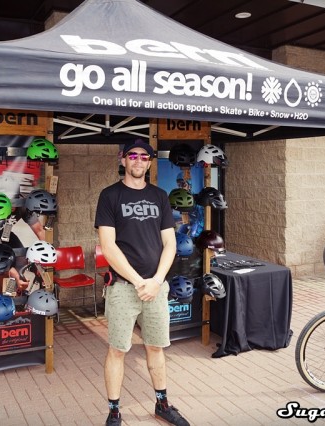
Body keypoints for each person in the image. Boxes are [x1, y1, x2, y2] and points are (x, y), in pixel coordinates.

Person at [95, 139, 189, 426]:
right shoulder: (110, 196)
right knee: (117, 350)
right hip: (124, 288)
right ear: (123, 159)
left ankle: (162, 404)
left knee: (156, 347)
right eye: (133, 155)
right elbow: (108, 246)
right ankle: (114, 411)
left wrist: (157, 281)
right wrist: (139, 282)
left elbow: (170, 244)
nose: (138, 161)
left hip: (156, 288)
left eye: (144, 157)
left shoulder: (160, 196)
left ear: (149, 163)